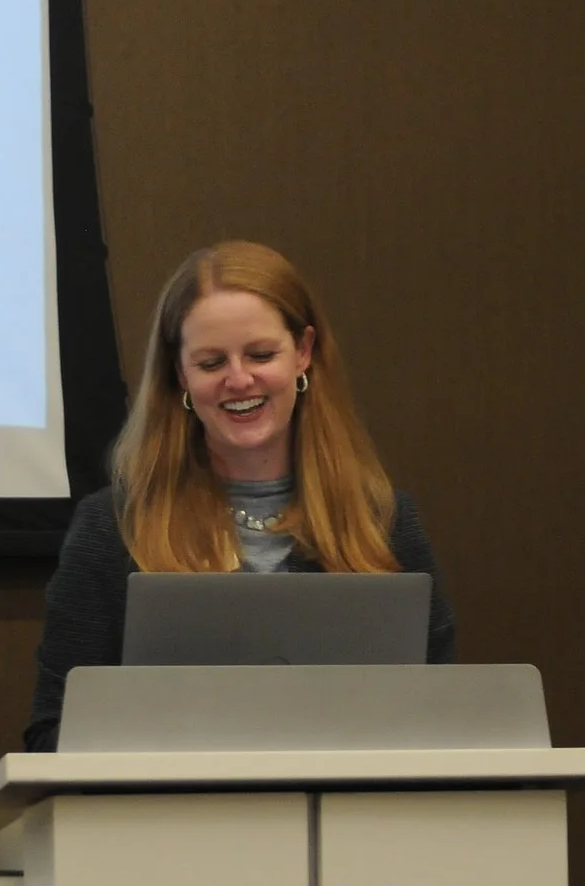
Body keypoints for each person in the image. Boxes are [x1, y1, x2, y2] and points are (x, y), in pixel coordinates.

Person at [23, 240, 455, 751]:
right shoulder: (112, 529)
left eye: (260, 354)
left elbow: (440, 722)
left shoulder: (383, 522)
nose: (239, 379)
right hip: (170, 824)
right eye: (210, 363)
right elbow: (53, 735)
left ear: (304, 352)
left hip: (353, 824)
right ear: (180, 373)